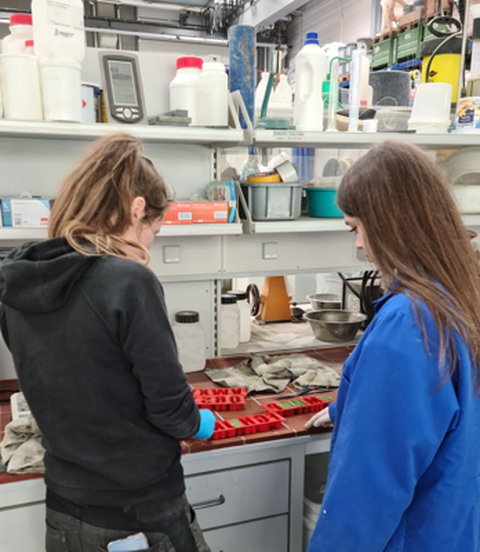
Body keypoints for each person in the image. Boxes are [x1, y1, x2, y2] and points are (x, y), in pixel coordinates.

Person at [0, 133, 215, 552]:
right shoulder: (128, 280)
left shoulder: (16, 277)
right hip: (142, 508)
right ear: (137, 211)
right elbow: (169, 408)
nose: (151, 242)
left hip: (65, 508)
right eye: (155, 228)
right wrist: (199, 423)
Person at [305, 139, 480, 552]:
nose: (359, 245)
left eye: (356, 227)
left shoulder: (408, 324)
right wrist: (351, 409)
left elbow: (366, 494)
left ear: (391, 224)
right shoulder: (460, 296)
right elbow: (443, 410)